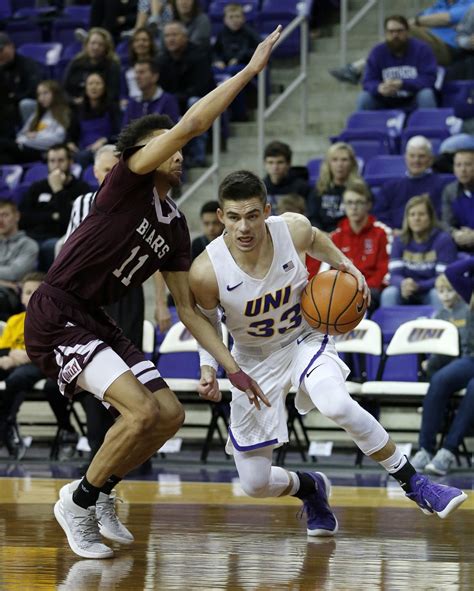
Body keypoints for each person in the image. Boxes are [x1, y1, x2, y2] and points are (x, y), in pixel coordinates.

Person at [24, 27, 283, 560]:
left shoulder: (176, 227)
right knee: (139, 412)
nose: (179, 152)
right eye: (166, 144)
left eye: (178, 147)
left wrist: (230, 368)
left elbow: (188, 308)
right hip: (57, 312)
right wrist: (250, 72)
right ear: (142, 153)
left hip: (95, 318)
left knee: (167, 414)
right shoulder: (127, 181)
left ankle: (100, 492)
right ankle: (78, 501)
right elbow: (192, 123)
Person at [188, 170, 467, 538]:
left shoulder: (292, 229)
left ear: (266, 211)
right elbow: (204, 321)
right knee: (254, 484)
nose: (244, 227)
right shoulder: (206, 269)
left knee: (336, 404)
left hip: (304, 337)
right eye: (235, 217)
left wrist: (345, 264)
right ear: (221, 217)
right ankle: (310, 488)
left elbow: (318, 239)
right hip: (252, 360)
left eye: (253, 215)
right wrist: (209, 366)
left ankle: (415, 483)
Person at [411, 256, 474, 475]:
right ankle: (425, 449)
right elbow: (453, 271)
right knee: (440, 379)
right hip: (471, 357)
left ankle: (448, 451)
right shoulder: (470, 291)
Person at [330, 1, 474, 83]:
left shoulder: (469, 4)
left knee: (401, 29)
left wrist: (421, 21)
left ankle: (358, 67)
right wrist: (428, 21)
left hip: (447, 48)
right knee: (397, 31)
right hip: (420, 45)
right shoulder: (438, 5)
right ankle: (364, 68)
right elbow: (429, 19)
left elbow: (447, 18)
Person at [19, 144, 91, 271]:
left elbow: (69, 222)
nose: (56, 165)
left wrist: (58, 190)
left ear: (70, 162)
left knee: (49, 247)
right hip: (33, 236)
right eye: (52, 161)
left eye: (61, 160)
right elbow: (22, 218)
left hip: (60, 238)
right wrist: (52, 216)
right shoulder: (37, 187)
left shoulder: (81, 188)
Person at [380, 194, 458, 309]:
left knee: (437, 295)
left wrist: (419, 286)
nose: (416, 218)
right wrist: (403, 283)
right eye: (412, 214)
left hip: (431, 289)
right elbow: (394, 275)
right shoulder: (399, 241)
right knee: (389, 294)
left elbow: (443, 278)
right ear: (407, 218)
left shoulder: (443, 240)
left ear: (430, 217)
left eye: (421, 214)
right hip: (406, 290)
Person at [157, 21, 215, 166]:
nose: (170, 39)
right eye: (167, 35)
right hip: (176, 102)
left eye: (174, 35)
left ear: (185, 37)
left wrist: (174, 99)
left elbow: (201, 89)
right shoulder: (162, 60)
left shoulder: (199, 55)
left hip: (199, 102)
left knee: (194, 104)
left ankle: (198, 156)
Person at [330, 179, 390, 312]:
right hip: (344, 289)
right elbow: (329, 270)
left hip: (372, 289)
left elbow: (385, 269)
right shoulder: (335, 236)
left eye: (359, 202)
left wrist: (363, 287)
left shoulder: (382, 232)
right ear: (343, 206)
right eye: (349, 203)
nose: (354, 207)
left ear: (368, 205)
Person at [355, 15, 438, 112]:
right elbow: (367, 81)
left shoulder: (422, 49)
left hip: (414, 99)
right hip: (385, 100)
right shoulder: (377, 52)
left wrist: (403, 84)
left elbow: (429, 79)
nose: (395, 35)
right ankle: (364, 127)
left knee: (426, 94)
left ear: (407, 32)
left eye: (399, 31)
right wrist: (379, 88)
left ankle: (430, 126)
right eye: (391, 32)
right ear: (386, 34)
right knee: (364, 97)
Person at [373, 136, 449, 230]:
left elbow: (443, 217)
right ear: (406, 158)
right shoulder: (390, 187)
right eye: (412, 156)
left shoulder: (442, 186)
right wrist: (392, 231)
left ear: (430, 159)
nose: (416, 160)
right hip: (397, 239)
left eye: (421, 156)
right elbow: (379, 216)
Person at [0, 80, 72, 165]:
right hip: (25, 149)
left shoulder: (63, 114)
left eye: (45, 93)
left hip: (42, 152)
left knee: (2, 143)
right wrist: (25, 139)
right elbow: (20, 135)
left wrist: (33, 137)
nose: (41, 98)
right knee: (4, 158)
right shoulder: (37, 115)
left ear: (55, 94)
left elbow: (57, 139)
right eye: (39, 94)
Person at [68, 72, 122, 168]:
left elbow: (119, 133)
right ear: (85, 87)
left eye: (98, 83)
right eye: (90, 83)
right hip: (82, 150)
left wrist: (104, 140)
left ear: (104, 87)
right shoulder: (78, 109)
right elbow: (71, 134)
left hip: (105, 149)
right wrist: (70, 143)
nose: (94, 87)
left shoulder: (112, 108)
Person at [422, 273, 469, 378]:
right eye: (441, 292)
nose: (446, 295)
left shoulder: (467, 311)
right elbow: (436, 342)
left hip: (464, 355)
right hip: (446, 355)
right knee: (432, 365)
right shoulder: (438, 315)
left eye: (450, 291)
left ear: (457, 291)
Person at [306, 142, 361, 233]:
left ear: (352, 163)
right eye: (335, 160)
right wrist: (322, 235)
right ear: (328, 164)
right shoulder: (318, 190)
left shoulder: (359, 190)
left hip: (350, 236)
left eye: (344, 160)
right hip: (322, 237)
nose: (340, 164)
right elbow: (313, 218)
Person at [0, 200, 39, 321]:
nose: (0, 220)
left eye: (5, 215)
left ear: (17, 216)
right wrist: (4, 282)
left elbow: (14, 273)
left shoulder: (29, 245)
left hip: (12, 296)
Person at [0, 32, 43, 140]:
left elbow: (35, 90)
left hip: (26, 105)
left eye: (1, 50)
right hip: (5, 108)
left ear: (11, 46)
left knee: (25, 104)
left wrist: (14, 97)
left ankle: (30, 139)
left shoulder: (27, 65)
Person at [64, 28, 122, 104]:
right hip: (76, 106)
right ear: (86, 45)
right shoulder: (76, 63)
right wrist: (74, 101)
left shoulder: (112, 66)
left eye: (100, 44)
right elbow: (65, 90)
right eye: (93, 43)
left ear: (106, 48)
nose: (96, 47)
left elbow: (113, 94)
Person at [122, 59, 181, 127]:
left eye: (142, 72)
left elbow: (172, 130)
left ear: (155, 76)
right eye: (136, 73)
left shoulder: (168, 101)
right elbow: (125, 131)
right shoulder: (132, 103)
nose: (137, 77)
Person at [441, 149, 474, 252]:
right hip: (459, 245)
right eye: (458, 165)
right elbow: (446, 223)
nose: (463, 170)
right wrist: (456, 234)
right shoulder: (450, 191)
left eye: (468, 164)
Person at [213, 3, 261, 70]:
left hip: (246, 66)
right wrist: (217, 60)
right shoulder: (222, 33)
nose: (234, 20)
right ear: (225, 20)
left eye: (237, 16)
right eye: (231, 17)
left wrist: (238, 58)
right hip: (226, 65)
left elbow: (259, 49)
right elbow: (215, 51)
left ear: (243, 18)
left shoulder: (250, 33)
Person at [263, 141, 310, 209]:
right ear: (265, 164)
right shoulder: (260, 187)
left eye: (280, 162)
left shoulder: (302, 188)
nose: (275, 167)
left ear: (288, 164)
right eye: (270, 162)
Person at [124, 27, 159, 100]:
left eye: (144, 40)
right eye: (137, 40)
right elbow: (123, 93)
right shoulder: (126, 66)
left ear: (151, 43)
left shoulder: (159, 64)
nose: (141, 43)